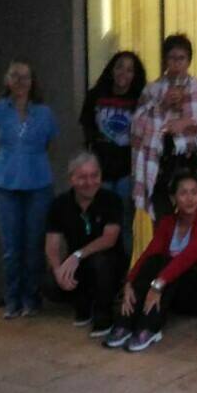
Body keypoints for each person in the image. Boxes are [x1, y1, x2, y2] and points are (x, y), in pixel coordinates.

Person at [105, 171, 197, 353]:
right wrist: (129, 282)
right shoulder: (167, 222)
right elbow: (149, 253)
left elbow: (188, 257)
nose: (190, 198)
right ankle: (125, 323)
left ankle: (149, 327)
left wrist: (157, 285)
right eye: (183, 193)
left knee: (172, 265)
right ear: (173, 198)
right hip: (179, 293)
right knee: (155, 261)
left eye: (194, 193)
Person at [129, 34, 197, 258]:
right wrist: (162, 107)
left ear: (189, 61)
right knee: (163, 227)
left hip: (193, 165)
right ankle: (165, 276)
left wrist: (190, 122)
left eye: (181, 58)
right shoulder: (152, 91)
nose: (176, 64)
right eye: (171, 59)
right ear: (164, 61)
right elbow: (138, 127)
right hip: (163, 166)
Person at [0, 60, 59, 318]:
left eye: (25, 77)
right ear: (7, 80)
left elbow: (48, 143)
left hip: (39, 184)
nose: (20, 82)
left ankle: (32, 299)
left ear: (32, 81)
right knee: (11, 247)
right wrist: (8, 164)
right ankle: (12, 300)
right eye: (15, 76)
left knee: (34, 244)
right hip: (5, 185)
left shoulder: (44, 112)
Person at [45, 153, 125, 337]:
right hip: (79, 262)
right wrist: (58, 270)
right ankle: (83, 304)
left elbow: (109, 239)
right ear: (71, 179)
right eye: (82, 177)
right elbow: (52, 244)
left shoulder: (111, 200)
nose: (90, 182)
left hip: (108, 262)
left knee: (100, 263)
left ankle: (103, 313)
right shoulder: (59, 204)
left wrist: (77, 255)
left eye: (94, 175)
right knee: (49, 283)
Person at [79, 51, 147, 253]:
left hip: (128, 171)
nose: (123, 73)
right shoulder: (96, 96)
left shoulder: (141, 100)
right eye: (119, 67)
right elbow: (87, 130)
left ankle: (123, 275)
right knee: (101, 224)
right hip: (100, 171)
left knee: (124, 223)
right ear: (111, 69)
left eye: (129, 69)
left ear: (135, 75)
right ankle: (103, 272)